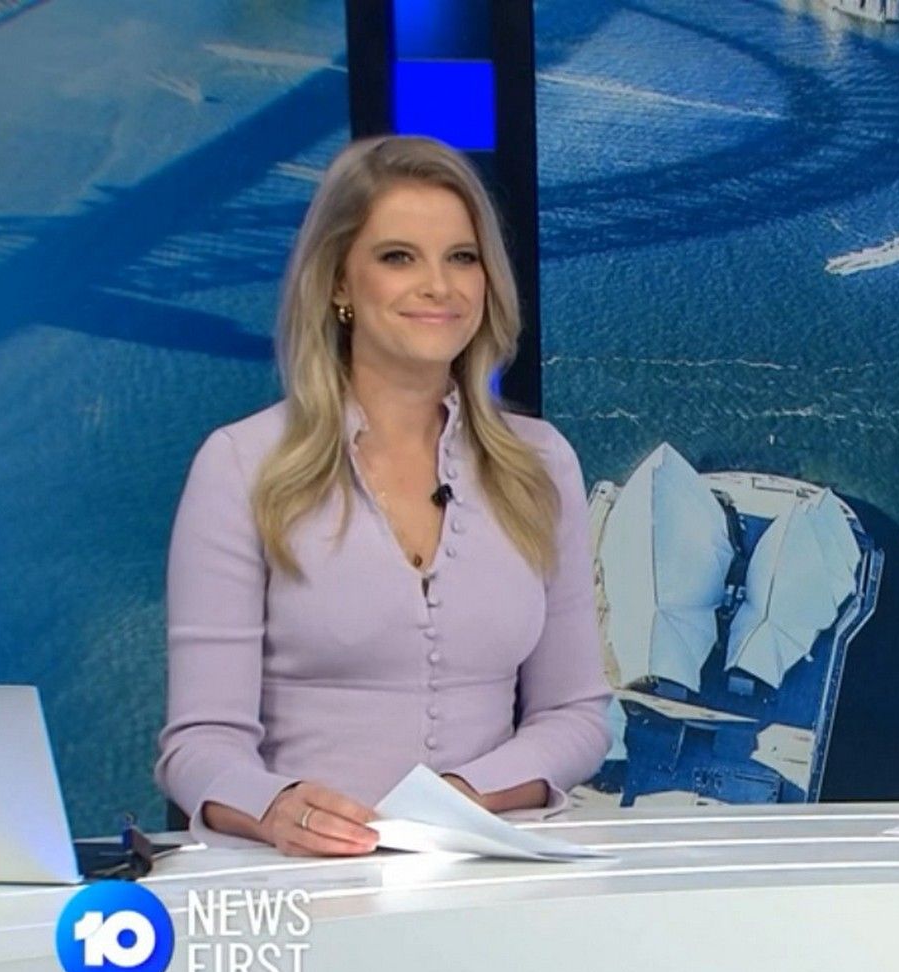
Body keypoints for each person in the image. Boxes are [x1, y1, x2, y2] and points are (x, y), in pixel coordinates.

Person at [156, 136, 611, 854]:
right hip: (303, 878)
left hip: (489, 870)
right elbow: (199, 744)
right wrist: (276, 808)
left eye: (462, 258)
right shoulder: (243, 466)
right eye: (399, 257)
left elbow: (577, 716)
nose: (439, 286)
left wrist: (463, 798)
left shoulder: (540, 464)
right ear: (339, 283)